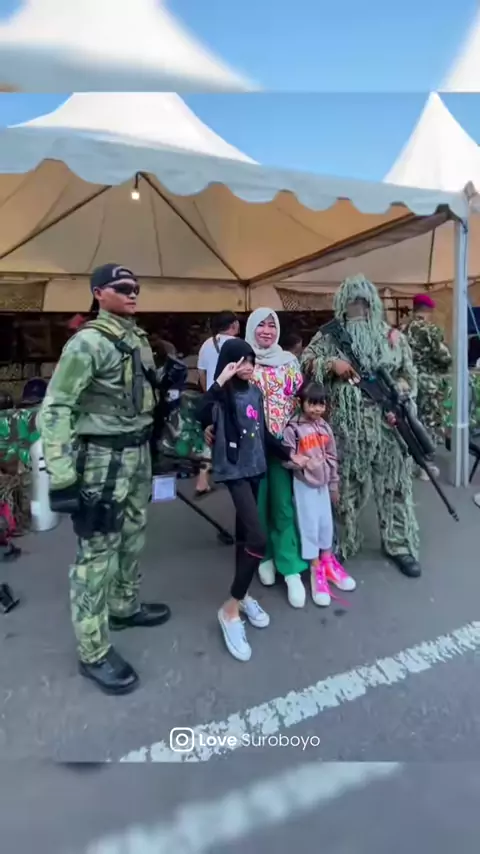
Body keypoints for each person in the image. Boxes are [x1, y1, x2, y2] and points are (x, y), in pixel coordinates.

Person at [37, 263, 171, 695]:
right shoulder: (88, 342)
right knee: (96, 553)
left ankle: (124, 605)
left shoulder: (137, 337)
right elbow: (56, 407)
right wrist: (62, 477)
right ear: (99, 293)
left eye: (136, 287)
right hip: (102, 460)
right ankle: (93, 650)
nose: (133, 293)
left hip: (137, 453)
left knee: (133, 534)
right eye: (123, 287)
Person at [302, 274, 421, 578]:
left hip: (388, 425)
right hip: (347, 428)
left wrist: (399, 396)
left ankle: (399, 544)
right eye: (353, 303)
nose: (359, 309)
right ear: (342, 305)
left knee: (394, 486)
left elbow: (409, 375)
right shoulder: (330, 337)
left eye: (364, 303)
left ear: (373, 305)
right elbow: (306, 363)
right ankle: (344, 541)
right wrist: (331, 364)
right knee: (345, 488)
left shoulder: (392, 337)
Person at [197, 338, 308, 661]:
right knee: (258, 539)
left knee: (245, 536)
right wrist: (220, 379)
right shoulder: (222, 394)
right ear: (229, 365)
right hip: (234, 471)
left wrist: (289, 455)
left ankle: (243, 594)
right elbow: (200, 412)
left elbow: (264, 435)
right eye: (240, 362)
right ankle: (230, 608)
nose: (247, 367)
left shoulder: (255, 393)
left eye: (250, 361)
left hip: (256, 467)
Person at [245, 308, 308, 607]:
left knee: (283, 504)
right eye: (261, 325)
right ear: (251, 328)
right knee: (258, 505)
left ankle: (290, 565)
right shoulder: (243, 360)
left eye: (272, 325)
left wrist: (301, 440)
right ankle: (264, 555)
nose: (267, 331)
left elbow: (299, 400)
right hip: (252, 447)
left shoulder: (289, 361)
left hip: (283, 444)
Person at [283, 381, 356, 607]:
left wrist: (333, 485)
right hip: (304, 485)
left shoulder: (324, 427)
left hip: (323, 486)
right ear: (301, 403)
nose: (316, 409)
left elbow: (332, 456)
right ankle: (316, 571)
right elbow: (287, 458)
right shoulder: (293, 429)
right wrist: (303, 463)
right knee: (309, 526)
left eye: (321, 404)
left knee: (326, 524)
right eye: (312, 404)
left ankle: (328, 562)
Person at [401, 293, 452, 481]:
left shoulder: (403, 329)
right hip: (427, 383)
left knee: (411, 422)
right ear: (429, 310)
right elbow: (444, 357)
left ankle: (410, 464)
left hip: (408, 383)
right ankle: (426, 466)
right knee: (428, 424)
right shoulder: (430, 330)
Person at [196, 311, 240, 497]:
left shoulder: (207, 344)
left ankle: (202, 478)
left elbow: (201, 373)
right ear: (233, 325)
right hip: (233, 396)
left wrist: (209, 392)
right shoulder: (238, 345)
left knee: (210, 434)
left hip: (213, 395)